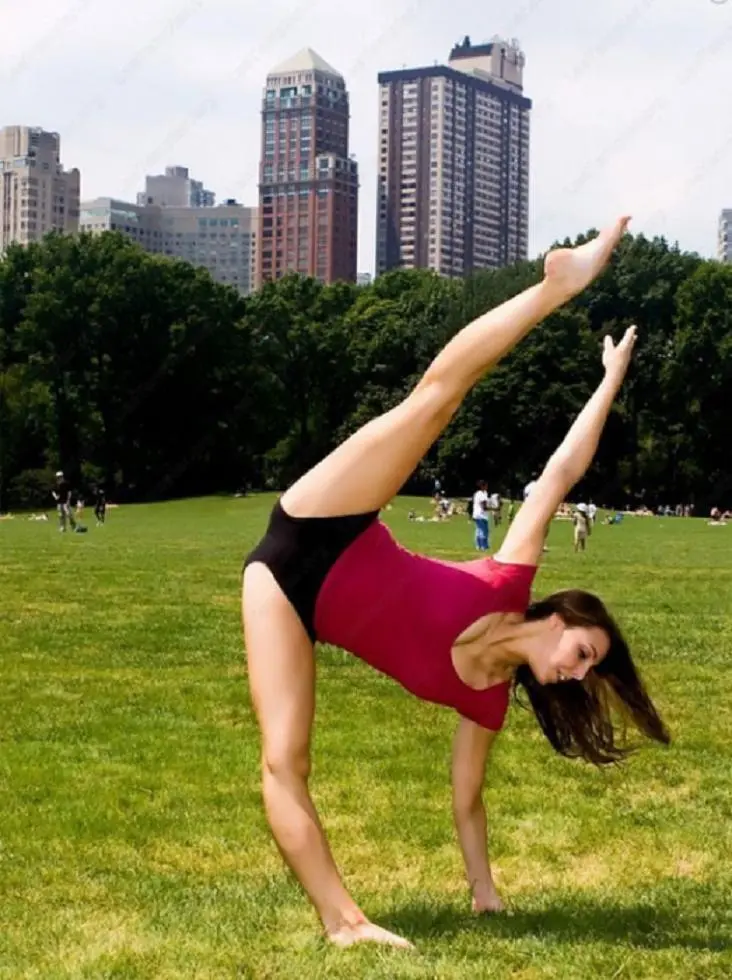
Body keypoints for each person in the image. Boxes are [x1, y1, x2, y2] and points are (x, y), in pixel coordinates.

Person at [242, 217, 670, 950]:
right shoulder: (510, 575)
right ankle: (555, 286)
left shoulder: (486, 702)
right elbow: (562, 472)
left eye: (589, 667)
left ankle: (344, 925)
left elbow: (467, 803)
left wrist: (485, 895)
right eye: (584, 649)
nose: (579, 669)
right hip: (324, 522)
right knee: (432, 402)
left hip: (282, 595)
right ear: (559, 615)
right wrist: (609, 384)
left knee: (286, 762)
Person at [472, 481, 490, 551]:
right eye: (486, 485)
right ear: (482, 486)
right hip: (481, 514)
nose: (487, 487)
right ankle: (483, 546)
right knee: (483, 531)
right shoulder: (481, 494)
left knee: (479, 530)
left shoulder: (478, 493)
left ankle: (478, 545)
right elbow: (484, 506)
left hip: (477, 514)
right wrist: (494, 508)